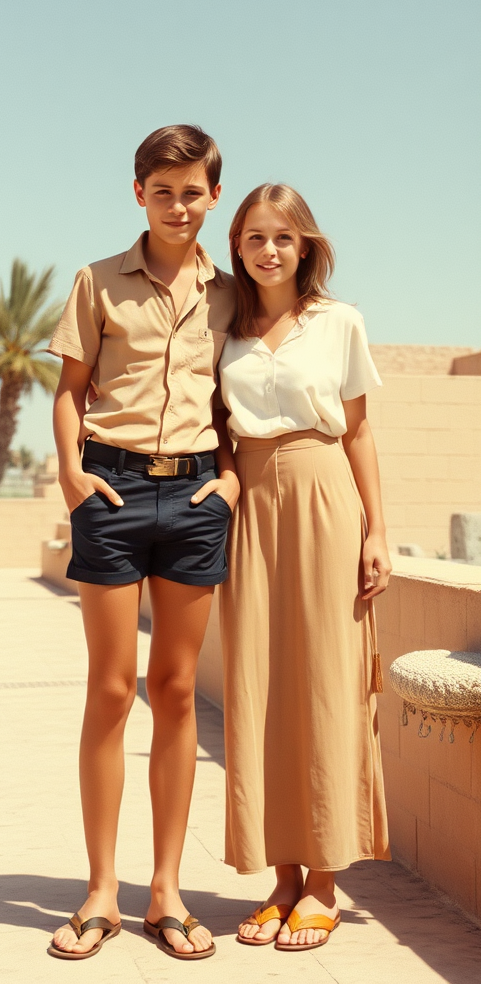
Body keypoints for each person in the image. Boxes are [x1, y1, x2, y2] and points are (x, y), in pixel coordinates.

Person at [46, 125, 239, 961]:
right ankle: (100, 891)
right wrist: (71, 474)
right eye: (163, 191)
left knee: (177, 690)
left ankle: (166, 890)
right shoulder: (95, 282)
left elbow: (240, 402)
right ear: (139, 195)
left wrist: (229, 480)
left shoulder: (230, 295)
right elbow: (69, 390)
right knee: (112, 689)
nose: (178, 204)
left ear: (213, 196)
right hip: (113, 490)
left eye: (192, 190)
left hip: (195, 494)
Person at [215, 182, 391, 952]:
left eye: (283, 237)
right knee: (259, 686)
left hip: (324, 498)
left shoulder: (339, 322)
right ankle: (280, 876)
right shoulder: (225, 327)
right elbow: (215, 427)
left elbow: (357, 434)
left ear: (306, 244)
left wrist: (378, 530)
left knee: (324, 681)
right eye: (254, 237)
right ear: (239, 246)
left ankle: (324, 880)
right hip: (250, 506)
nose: (269, 250)